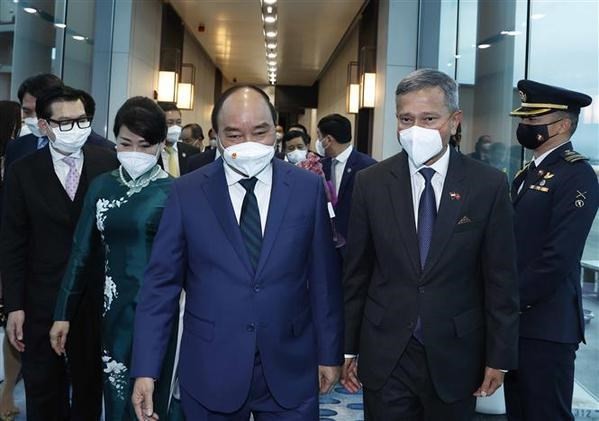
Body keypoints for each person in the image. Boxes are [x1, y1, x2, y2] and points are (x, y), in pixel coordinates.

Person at [130, 85, 344, 420]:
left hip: (290, 363)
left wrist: (330, 354)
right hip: (210, 364)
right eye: (234, 134)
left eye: (260, 132)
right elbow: (161, 287)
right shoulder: (187, 192)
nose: (248, 144)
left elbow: (323, 280)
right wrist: (146, 368)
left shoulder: (307, 188)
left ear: (276, 130)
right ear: (216, 136)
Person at [341, 69, 519, 420]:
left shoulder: (488, 185)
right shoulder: (371, 183)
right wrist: (348, 350)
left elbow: (501, 279)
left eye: (429, 119)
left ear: (454, 121)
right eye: (406, 119)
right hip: (386, 351)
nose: (415, 130)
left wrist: (499, 357)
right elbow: (355, 274)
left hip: (456, 353)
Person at [48, 97, 184, 421]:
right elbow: (81, 252)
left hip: (162, 308)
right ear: (115, 139)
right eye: (125, 143)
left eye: (144, 144)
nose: (134, 152)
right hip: (114, 311)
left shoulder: (176, 191)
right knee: (118, 394)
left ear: (161, 144)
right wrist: (62, 313)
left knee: (157, 398)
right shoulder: (101, 186)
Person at [0, 86, 118, 420]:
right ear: (44, 126)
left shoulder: (107, 161)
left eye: (82, 120)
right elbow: (12, 242)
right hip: (40, 299)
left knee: (88, 391)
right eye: (64, 122)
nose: (75, 129)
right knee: (43, 391)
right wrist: (15, 305)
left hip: (92, 300)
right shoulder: (23, 171)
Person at [504, 80, 599, 421]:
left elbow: (558, 257)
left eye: (534, 121)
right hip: (517, 322)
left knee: (545, 413)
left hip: (547, 325)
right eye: (525, 120)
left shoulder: (577, 175)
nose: (525, 127)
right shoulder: (527, 174)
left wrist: (509, 297)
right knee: (518, 411)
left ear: (561, 125)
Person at [4, 75, 113, 171]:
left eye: (40, 111)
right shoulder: (16, 147)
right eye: (28, 111)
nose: (36, 119)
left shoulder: (107, 151)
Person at [317, 113, 376, 247]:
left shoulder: (368, 167)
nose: (318, 141)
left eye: (319, 136)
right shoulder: (319, 166)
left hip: (355, 243)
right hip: (325, 242)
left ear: (328, 139)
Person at [0, 100, 22, 421]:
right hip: (8, 249)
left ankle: (5, 394)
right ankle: (6, 395)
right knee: (10, 326)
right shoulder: (17, 157)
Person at [157, 102, 201, 176]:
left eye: (178, 122)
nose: (175, 127)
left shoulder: (192, 152)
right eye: (170, 123)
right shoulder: (152, 152)